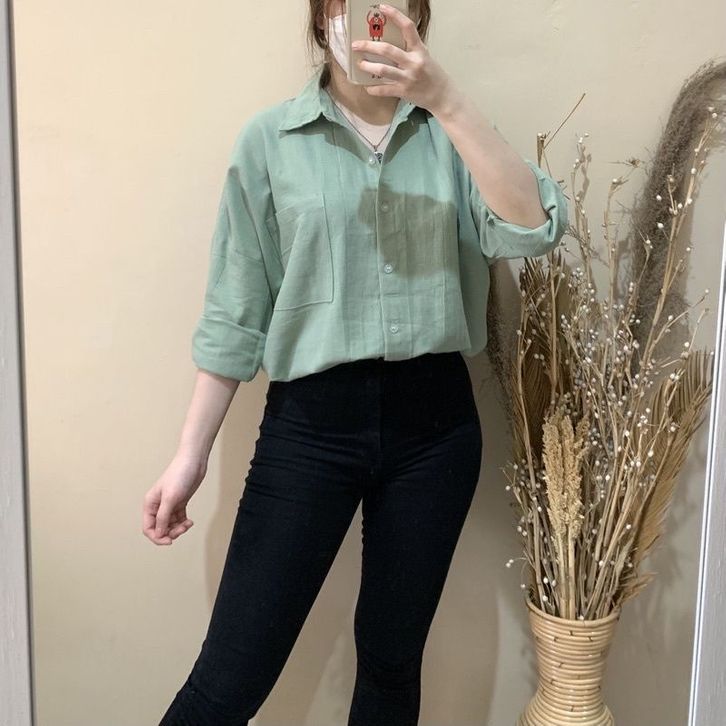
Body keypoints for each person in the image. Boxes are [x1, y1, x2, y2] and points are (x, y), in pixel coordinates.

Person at [144, 1, 568, 724]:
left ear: (415, 18)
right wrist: (191, 456)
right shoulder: (271, 141)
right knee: (231, 676)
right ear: (323, 19)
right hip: (310, 427)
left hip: (435, 430)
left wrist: (447, 100)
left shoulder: (452, 134)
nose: (372, 18)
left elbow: (532, 230)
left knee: (391, 663)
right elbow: (235, 311)